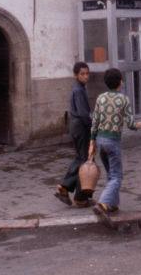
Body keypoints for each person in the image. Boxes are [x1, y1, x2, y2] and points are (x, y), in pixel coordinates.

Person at [89, 68, 141, 226]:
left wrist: (92, 141)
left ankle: (112, 204)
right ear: (120, 81)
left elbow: (95, 121)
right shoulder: (124, 100)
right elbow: (131, 124)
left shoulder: (100, 98)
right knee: (117, 176)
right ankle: (102, 203)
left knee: (111, 174)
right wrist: (138, 125)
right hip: (113, 142)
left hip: (100, 140)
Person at [55, 61, 93, 208]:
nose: (85, 76)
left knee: (82, 159)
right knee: (84, 161)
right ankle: (76, 195)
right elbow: (83, 114)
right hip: (81, 128)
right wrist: (92, 129)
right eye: (82, 74)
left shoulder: (79, 88)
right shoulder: (78, 90)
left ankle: (73, 193)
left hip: (77, 127)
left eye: (87, 73)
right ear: (75, 75)